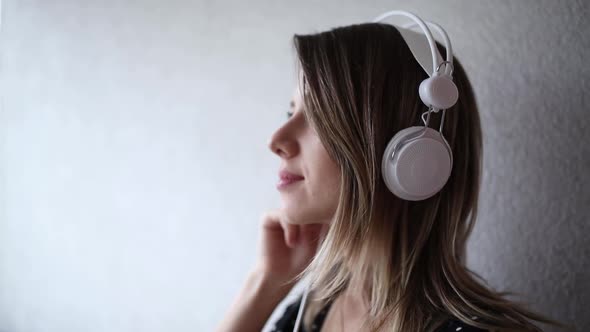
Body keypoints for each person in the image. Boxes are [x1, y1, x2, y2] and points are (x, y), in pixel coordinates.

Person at [216, 15, 562, 332]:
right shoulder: (312, 312)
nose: (276, 140)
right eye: (291, 110)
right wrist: (265, 282)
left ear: (412, 155)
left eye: (319, 115)